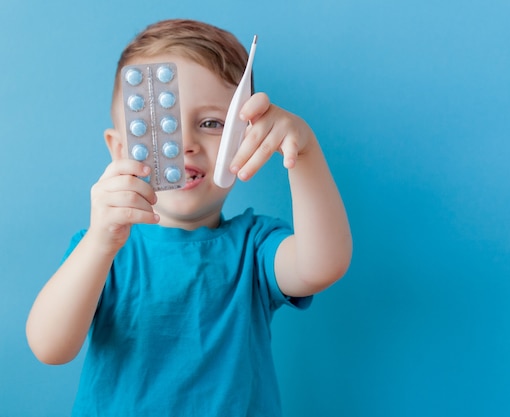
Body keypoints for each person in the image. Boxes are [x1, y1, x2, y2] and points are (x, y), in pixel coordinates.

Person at [26, 19, 352, 416]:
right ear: (118, 149)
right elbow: (50, 347)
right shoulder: (103, 249)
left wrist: (304, 153)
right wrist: (98, 242)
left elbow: (323, 265)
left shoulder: (255, 246)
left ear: (247, 136)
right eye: (157, 126)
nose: (185, 145)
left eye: (212, 124)